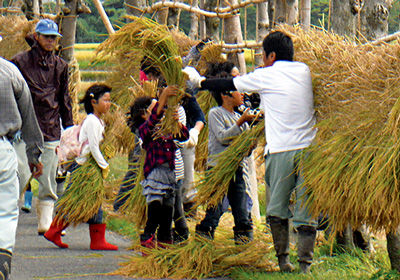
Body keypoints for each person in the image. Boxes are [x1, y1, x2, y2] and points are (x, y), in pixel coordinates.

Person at [183, 31, 318, 273]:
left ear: (272, 55)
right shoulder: (304, 70)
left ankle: (284, 262)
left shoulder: (267, 74)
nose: (263, 61)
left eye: (264, 56)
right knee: (306, 209)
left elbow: (229, 84)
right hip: (310, 150)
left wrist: (200, 82)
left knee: (277, 208)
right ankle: (305, 266)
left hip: (281, 150)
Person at [11, 18, 74, 235]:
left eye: (53, 37)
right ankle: (7, 214)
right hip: (23, 128)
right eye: (46, 36)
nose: (50, 41)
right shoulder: (18, 62)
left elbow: (64, 99)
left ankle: (46, 220)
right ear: (36, 36)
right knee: (18, 175)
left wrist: (70, 129)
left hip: (50, 128)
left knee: (48, 177)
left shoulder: (61, 66)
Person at [44, 84, 118, 251]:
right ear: (93, 102)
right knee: (77, 201)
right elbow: (93, 147)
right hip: (85, 168)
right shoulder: (92, 121)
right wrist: (104, 166)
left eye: (110, 101)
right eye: (105, 100)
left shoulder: (98, 121)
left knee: (93, 203)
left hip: (89, 168)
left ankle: (95, 239)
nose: (108, 104)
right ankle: (55, 230)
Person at [194, 69, 256, 244]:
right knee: (214, 210)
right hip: (218, 170)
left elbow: (244, 149)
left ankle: (244, 250)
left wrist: (251, 143)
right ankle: (202, 246)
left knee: (241, 212)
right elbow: (223, 137)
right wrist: (241, 122)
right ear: (225, 94)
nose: (242, 94)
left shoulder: (238, 115)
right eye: (238, 90)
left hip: (236, 170)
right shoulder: (216, 113)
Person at [0, 34, 44, 279]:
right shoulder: (10, 71)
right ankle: (2, 260)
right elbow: (28, 115)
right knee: (6, 210)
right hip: (3, 149)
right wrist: (34, 154)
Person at [131, 86, 189, 250]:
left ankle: (164, 249)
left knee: (167, 217)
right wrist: (163, 96)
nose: (161, 112)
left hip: (170, 176)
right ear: (145, 114)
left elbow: (184, 136)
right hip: (155, 175)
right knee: (154, 213)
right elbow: (153, 120)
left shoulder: (168, 129)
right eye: (158, 108)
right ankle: (147, 241)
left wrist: (176, 121)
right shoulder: (145, 131)